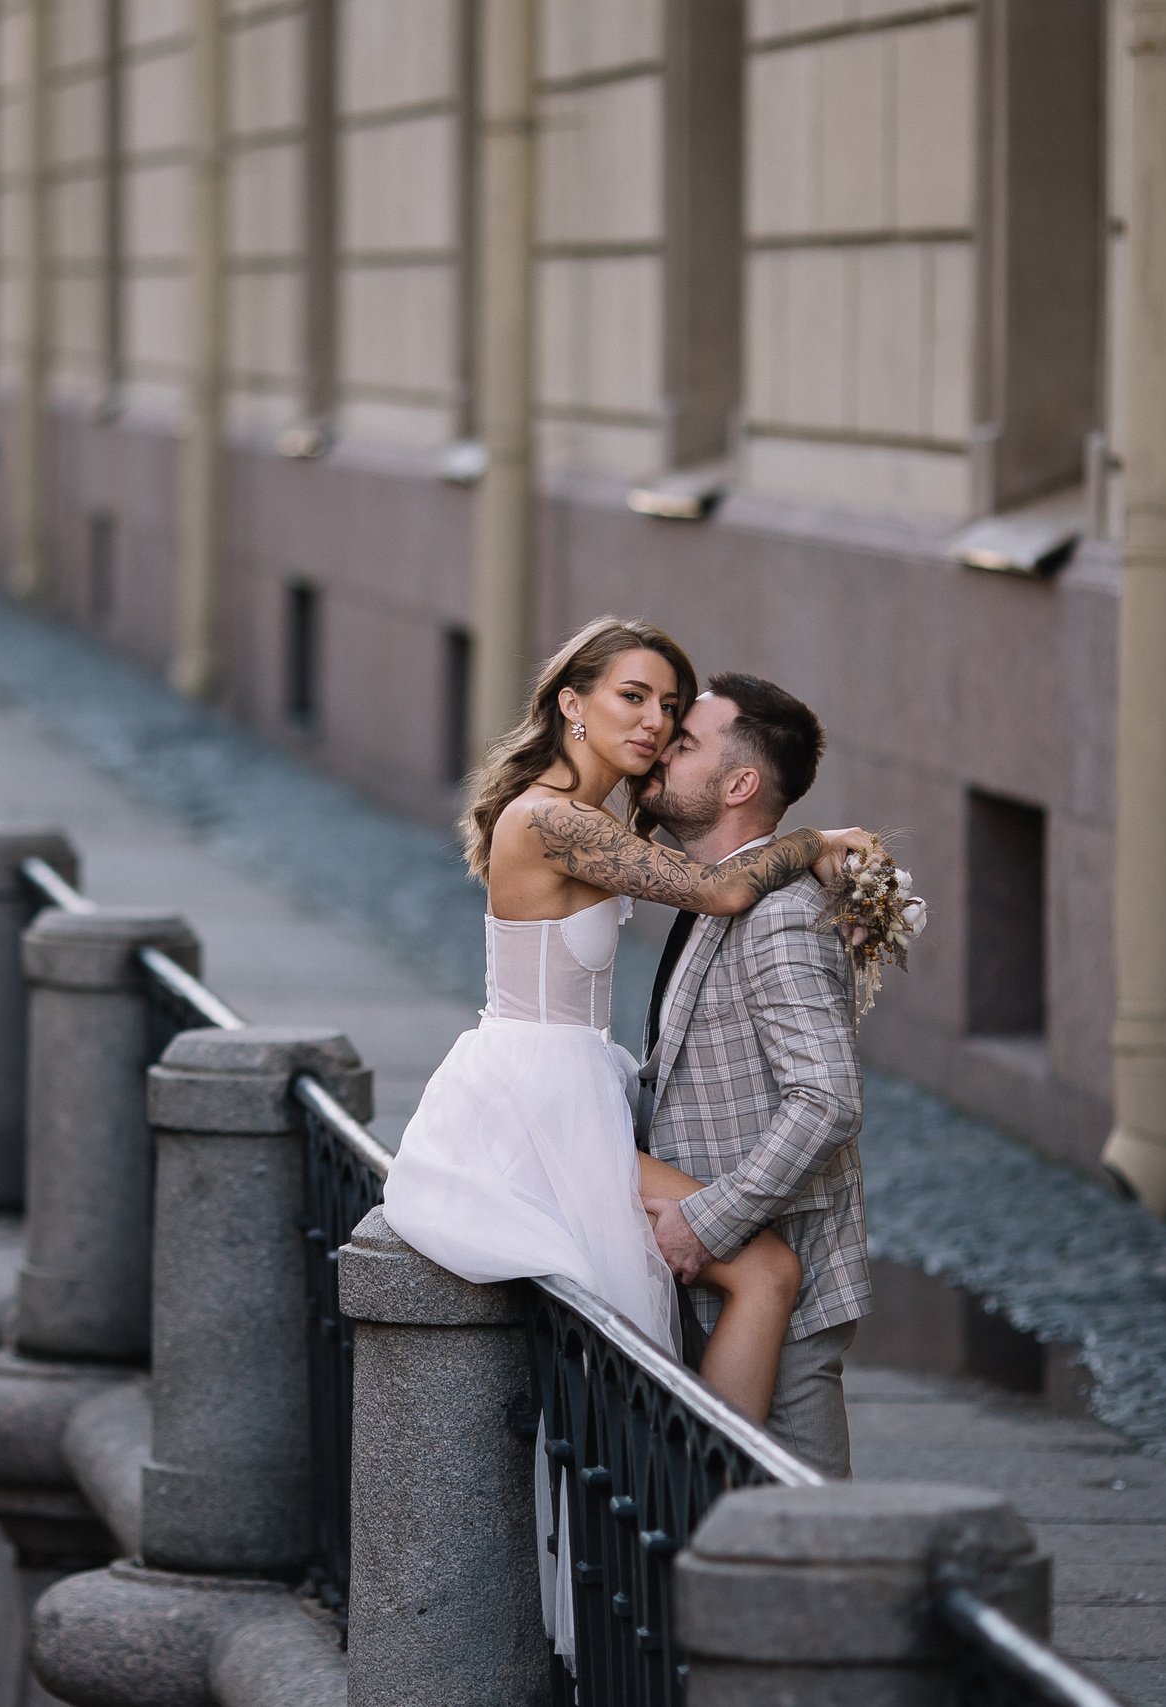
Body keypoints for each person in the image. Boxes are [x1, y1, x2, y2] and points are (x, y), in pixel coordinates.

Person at [378, 617, 873, 1652]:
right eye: (633, 698)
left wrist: (818, 878)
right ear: (571, 701)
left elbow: (719, 871)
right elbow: (723, 884)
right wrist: (818, 844)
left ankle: (694, 1503)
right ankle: (701, 1502)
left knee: (707, 1292)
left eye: (668, 708)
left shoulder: (597, 817)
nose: (653, 723)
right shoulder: (552, 817)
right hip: (529, 1092)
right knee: (755, 1272)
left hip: (572, 1083)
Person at [634, 674, 870, 1482]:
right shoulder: (727, 891)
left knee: (807, 1541)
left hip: (783, 1291)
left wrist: (707, 1222)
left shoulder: (780, 913)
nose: (661, 746)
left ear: (739, 784)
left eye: (686, 741)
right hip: (727, 1280)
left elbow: (827, 1099)